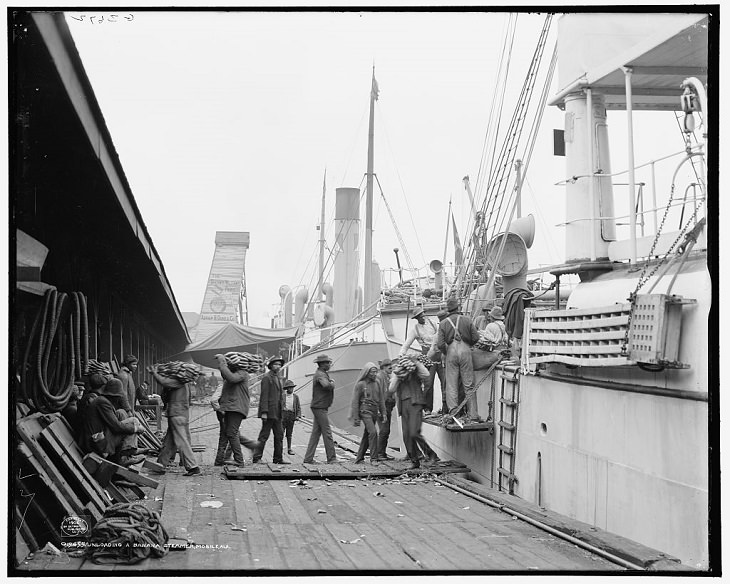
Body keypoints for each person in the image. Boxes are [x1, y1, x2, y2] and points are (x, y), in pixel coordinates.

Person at [78, 376, 144, 466]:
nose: (118, 399)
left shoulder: (102, 401)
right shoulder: (103, 403)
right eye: (118, 396)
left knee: (124, 414)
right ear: (114, 395)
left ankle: (129, 450)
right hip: (96, 443)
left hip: (97, 438)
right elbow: (116, 427)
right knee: (132, 423)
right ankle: (125, 455)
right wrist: (136, 428)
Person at [387, 356, 439, 469]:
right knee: (406, 436)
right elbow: (391, 389)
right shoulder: (398, 376)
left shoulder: (416, 372)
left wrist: (416, 363)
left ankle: (431, 455)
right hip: (403, 405)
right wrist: (397, 375)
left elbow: (426, 375)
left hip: (415, 403)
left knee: (414, 432)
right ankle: (414, 461)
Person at [149, 365, 200, 476]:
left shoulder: (178, 382)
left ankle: (193, 466)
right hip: (181, 414)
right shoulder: (185, 383)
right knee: (169, 441)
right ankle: (160, 465)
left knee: (181, 441)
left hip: (177, 415)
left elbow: (164, 382)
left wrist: (155, 373)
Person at [436, 297, 481, 421]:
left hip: (451, 351)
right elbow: (476, 337)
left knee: (451, 384)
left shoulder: (443, 323)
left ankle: (454, 414)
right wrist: (468, 345)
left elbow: (440, 344)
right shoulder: (467, 320)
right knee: (469, 384)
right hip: (465, 351)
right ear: (458, 308)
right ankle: (473, 414)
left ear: (448, 310)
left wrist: (447, 351)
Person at [212, 353, 260, 467]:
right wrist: (222, 365)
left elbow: (231, 378)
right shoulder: (234, 373)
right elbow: (226, 375)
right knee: (225, 434)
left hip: (236, 407)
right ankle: (219, 461)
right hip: (231, 407)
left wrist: (222, 361)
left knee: (232, 433)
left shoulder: (242, 373)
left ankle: (239, 460)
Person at [399, 307, 443, 413]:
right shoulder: (415, 330)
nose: (423, 318)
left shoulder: (433, 324)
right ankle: (428, 408)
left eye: (423, 316)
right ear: (417, 318)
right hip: (427, 357)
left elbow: (441, 336)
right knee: (428, 383)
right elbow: (406, 344)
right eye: (420, 317)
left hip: (439, 354)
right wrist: (401, 355)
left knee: (444, 382)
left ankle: (446, 407)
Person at [302, 354, 337, 464]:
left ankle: (308, 458)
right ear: (321, 364)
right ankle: (331, 458)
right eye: (327, 363)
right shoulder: (320, 374)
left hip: (319, 406)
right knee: (327, 432)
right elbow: (326, 385)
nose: (329, 364)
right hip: (320, 407)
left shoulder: (321, 373)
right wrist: (332, 383)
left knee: (316, 433)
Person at [253, 356, 289, 464]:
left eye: (279, 365)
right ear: (271, 366)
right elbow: (264, 396)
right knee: (264, 436)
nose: (278, 366)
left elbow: (279, 395)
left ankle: (278, 459)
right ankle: (257, 458)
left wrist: (283, 406)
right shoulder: (267, 378)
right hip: (269, 413)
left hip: (277, 413)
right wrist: (264, 412)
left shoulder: (278, 378)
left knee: (279, 435)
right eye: (275, 364)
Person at [350, 362, 387, 465]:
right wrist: (356, 417)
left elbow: (381, 399)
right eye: (372, 372)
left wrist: (384, 413)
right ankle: (374, 458)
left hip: (374, 411)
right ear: (367, 372)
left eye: (376, 372)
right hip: (365, 411)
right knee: (373, 432)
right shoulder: (361, 384)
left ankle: (359, 458)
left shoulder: (377, 383)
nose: (374, 374)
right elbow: (355, 402)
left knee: (367, 434)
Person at [428, 310, 450, 414]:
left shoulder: (439, 333)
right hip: (448, 360)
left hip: (445, 360)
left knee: (445, 384)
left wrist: (425, 360)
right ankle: (448, 408)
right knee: (447, 384)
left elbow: (434, 348)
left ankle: (446, 408)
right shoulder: (452, 327)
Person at [376, 359, 395, 460]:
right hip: (383, 406)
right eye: (389, 366)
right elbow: (379, 393)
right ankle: (380, 453)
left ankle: (382, 453)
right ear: (383, 367)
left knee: (385, 430)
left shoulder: (385, 377)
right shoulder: (380, 377)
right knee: (384, 430)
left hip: (387, 406)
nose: (391, 368)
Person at [281, 380, 301, 455]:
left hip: (291, 416)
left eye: (292, 388)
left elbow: (298, 407)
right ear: (286, 389)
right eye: (289, 388)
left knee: (289, 434)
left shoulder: (296, 397)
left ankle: (289, 448)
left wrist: (298, 416)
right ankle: (280, 448)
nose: (291, 389)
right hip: (283, 416)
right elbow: (279, 406)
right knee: (281, 433)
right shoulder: (282, 396)